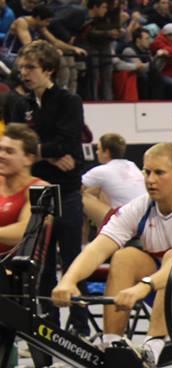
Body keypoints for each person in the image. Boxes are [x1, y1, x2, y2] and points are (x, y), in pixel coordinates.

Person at [51, 143, 172, 368]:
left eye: (159, 173)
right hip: (168, 287)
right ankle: (112, 344)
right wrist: (68, 281)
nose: (150, 180)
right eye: (146, 172)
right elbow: (98, 248)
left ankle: (151, 352)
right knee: (125, 256)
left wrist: (143, 286)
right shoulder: (140, 206)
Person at [8, 41, 86, 330]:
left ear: (49, 69)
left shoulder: (68, 101)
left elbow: (67, 143)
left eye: (30, 68)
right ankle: (47, 328)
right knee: (38, 267)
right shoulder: (21, 104)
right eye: (22, 67)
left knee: (72, 262)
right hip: (36, 195)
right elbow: (18, 146)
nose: (24, 73)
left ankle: (80, 327)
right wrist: (49, 154)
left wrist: (37, 152)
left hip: (66, 192)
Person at [82, 133, 147, 228]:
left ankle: (85, 239)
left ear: (106, 152)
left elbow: (74, 187)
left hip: (126, 219)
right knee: (99, 189)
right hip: (144, 216)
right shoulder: (131, 164)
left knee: (77, 196)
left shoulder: (101, 171)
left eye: (98, 149)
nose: (96, 152)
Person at [0, 124, 44, 254]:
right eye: (0, 149)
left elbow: (26, 230)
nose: (1, 155)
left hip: (12, 268)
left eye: (9, 151)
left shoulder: (40, 189)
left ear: (28, 159)